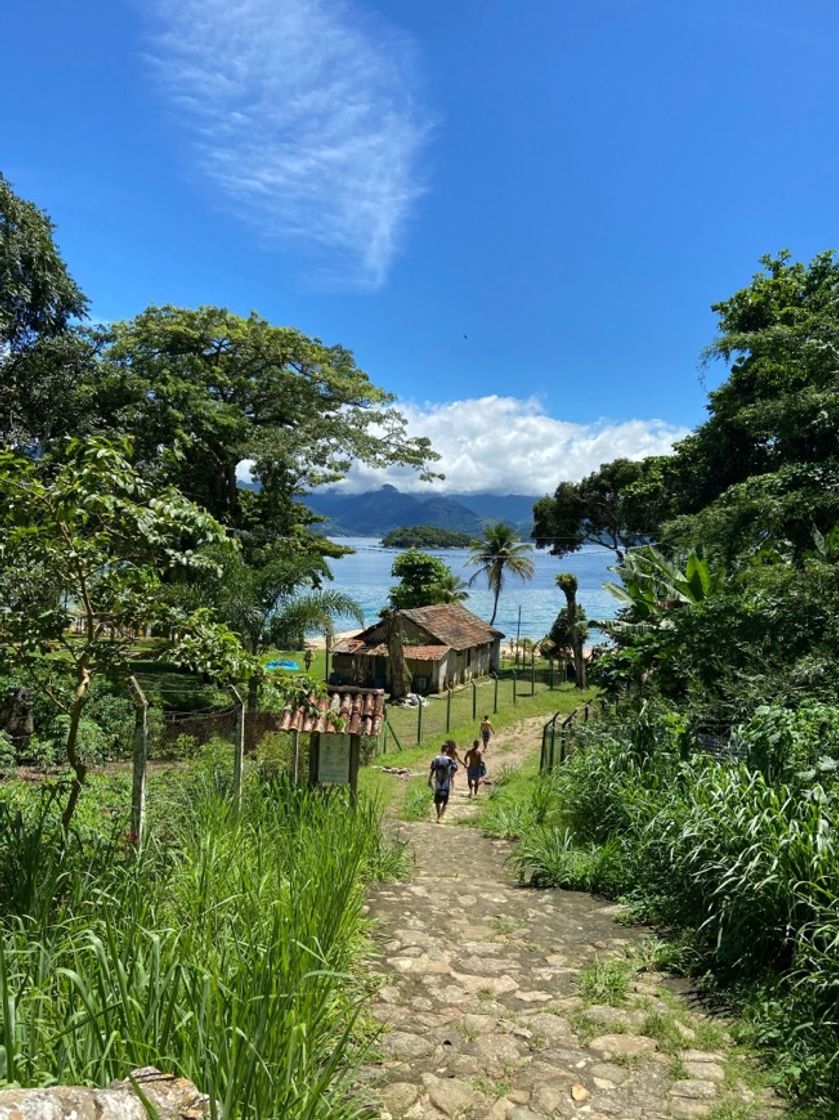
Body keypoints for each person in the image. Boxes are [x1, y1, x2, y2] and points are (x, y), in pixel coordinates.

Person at [428, 742, 458, 823]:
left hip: (438, 781)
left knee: (437, 800)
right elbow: (454, 769)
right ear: (447, 750)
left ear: (441, 749)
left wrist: (429, 780)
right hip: (446, 782)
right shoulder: (450, 759)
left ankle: (438, 816)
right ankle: (441, 817)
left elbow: (432, 770)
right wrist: (451, 778)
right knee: (445, 802)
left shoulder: (436, 758)